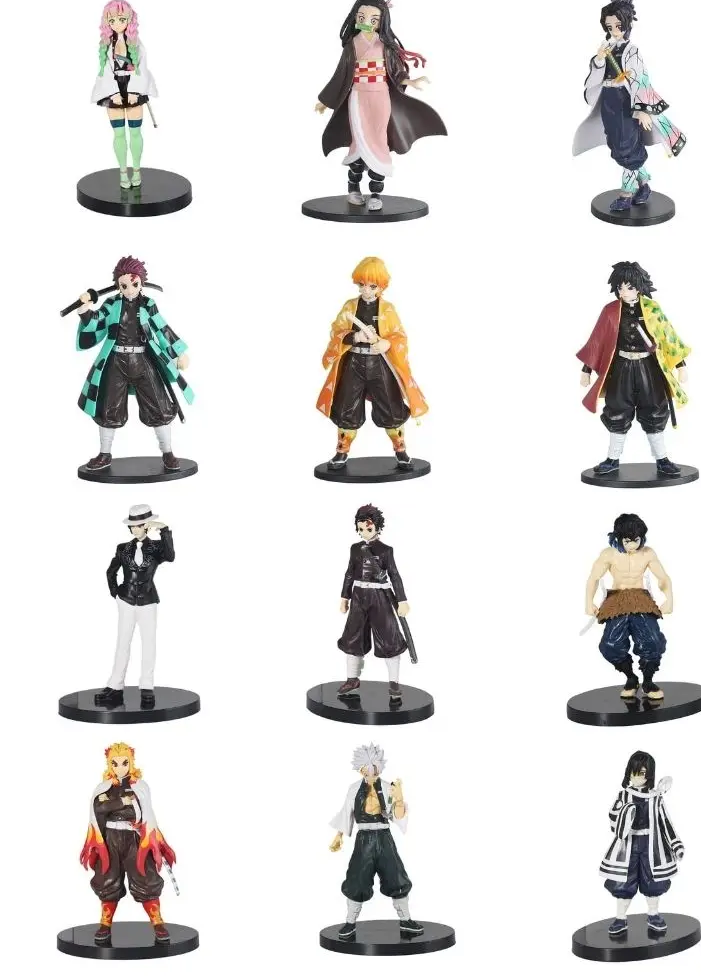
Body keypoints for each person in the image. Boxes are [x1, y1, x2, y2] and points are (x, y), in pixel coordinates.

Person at [315, 0, 446, 211]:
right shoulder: (352, 45)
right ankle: (354, 188)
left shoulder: (385, 45)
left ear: (381, 21)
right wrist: (325, 100)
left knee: (379, 140)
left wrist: (410, 81)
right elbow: (340, 75)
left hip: (380, 98)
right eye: (362, 17)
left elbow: (395, 72)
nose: (367, 21)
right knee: (358, 140)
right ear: (355, 17)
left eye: (374, 19)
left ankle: (376, 192)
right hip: (358, 97)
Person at [75, 256, 193, 472]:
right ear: (118, 285)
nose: (129, 290)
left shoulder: (148, 304)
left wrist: (178, 352)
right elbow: (96, 321)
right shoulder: (111, 304)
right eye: (124, 285)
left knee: (159, 404)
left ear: (141, 282)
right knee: (107, 407)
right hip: (115, 361)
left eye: (134, 284)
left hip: (143, 360)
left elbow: (162, 329)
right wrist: (84, 309)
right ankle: (104, 454)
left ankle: (167, 452)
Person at [572, 0, 685, 212]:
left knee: (626, 146)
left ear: (627, 24)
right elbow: (596, 74)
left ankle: (626, 192)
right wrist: (599, 59)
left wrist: (642, 110)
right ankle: (644, 185)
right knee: (616, 142)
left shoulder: (632, 50)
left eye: (618, 25)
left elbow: (641, 79)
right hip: (609, 101)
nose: (614, 30)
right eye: (610, 26)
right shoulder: (607, 48)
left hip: (626, 101)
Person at [578, 261, 690, 477]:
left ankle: (662, 459)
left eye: (628, 287)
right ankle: (612, 458)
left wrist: (680, 364)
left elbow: (668, 336)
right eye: (620, 287)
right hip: (621, 368)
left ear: (639, 286)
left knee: (654, 409)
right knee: (617, 410)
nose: (623, 291)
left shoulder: (652, 309)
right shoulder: (610, 311)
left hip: (648, 368)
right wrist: (586, 369)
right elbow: (597, 340)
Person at [317, 257, 427, 470]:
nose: (366, 290)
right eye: (362, 284)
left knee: (391, 406)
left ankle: (400, 449)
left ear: (381, 286)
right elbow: (336, 331)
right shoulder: (350, 306)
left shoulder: (388, 309)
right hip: (353, 363)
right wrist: (354, 337)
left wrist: (386, 343)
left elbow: (399, 336)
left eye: (372, 286)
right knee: (346, 406)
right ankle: (342, 450)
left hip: (380, 365)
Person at [79, 743, 177, 946]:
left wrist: (112, 805)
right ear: (109, 765)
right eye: (115, 764)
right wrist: (121, 803)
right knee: (108, 879)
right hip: (110, 839)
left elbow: (138, 811)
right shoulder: (103, 788)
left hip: (135, 839)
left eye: (124, 763)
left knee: (145, 877)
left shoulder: (140, 787)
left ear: (131, 762)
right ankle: (105, 923)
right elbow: (99, 809)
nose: (120, 768)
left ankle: (157, 921)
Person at [329, 743, 422, 938]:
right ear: (361, 769)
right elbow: (346, 813)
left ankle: (405, 920)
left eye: (374, 770)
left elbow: (398, 817)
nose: (371, 774)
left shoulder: (388, 788)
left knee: (396, 875)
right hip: (363, 840)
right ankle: (350, 922)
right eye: (367, 770)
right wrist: (339, 836)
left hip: (384, 837)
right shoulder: (354, 789)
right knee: (357, 878)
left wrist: (399, 799)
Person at [94, 505, 175, 710]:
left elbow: (170, 555)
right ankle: (115, 685)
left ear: (147, 526)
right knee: (122, 643)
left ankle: (147, 686)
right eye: (132, 525)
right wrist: (116, 593)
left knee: (149, 644)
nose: (134, 529)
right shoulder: (123, 548)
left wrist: (164, 530)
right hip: (126, 600)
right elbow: (111, 571)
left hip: (148, 601)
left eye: (139, 525)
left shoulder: (156, 548)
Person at [585, 514, 672, 700]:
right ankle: (631, 678)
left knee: (653, 642)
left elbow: (663, 577)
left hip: (640, 599)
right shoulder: (609, 554)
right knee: (610, 645)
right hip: (617, 600)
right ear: (618, 538)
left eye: (636, 540)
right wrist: (588, 602)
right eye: (627, 541)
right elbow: (593, 578)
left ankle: (648, 681)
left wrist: (669, 598)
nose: (632, 545)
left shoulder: (647, 553)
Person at [599, 751, 684, 937]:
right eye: (634, 772)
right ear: (628, 772)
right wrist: (624, 814)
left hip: (651, 846)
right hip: (627, 846)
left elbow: (665, 822)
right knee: (623, 881)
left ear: (649, 774)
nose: (637, 777)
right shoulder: (624, 795)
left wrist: (676, 845)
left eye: (642, 773)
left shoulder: (655, 798)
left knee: (653, 880)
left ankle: (653, 914)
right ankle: (620, 918)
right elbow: (613, 819)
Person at [336, 506, 412, 703]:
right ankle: (352, 679)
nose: (364, 532)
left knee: (389, 639)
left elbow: (394, 575)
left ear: (377, 527)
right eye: (360, 529)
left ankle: (394, 683)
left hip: (380, 598)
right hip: (359, 598)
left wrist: (402, 600)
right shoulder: (355, 549)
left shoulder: (386, 550)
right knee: (353, 638)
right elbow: (349, 573)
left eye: (368, 529)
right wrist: (344, 597)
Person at [90, 0, 157, 188]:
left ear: (129, 19)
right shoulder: (105, 45)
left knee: (135, 132)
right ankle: (122, 173)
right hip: (114, 90)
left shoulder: (136, 44)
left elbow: (142, 67)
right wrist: (112, 93)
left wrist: (135, 90)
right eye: (112, 20)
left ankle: (136, 170)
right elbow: (104, 71)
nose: (117, 24)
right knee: (119, 134)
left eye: (121, 19)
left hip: (133, 88)